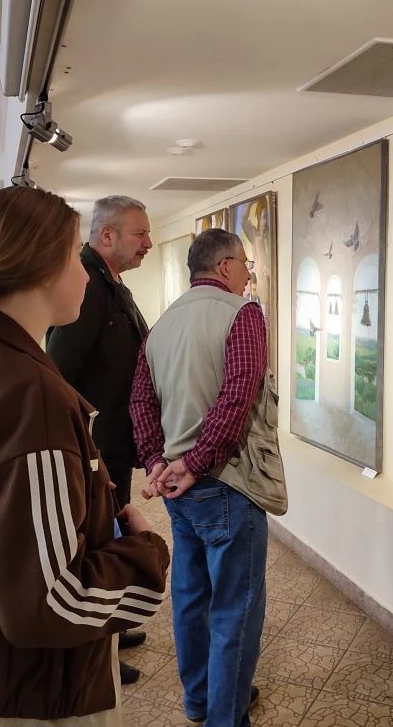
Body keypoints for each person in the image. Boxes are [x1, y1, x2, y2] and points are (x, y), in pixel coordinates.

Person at [0, 186, 170, 727]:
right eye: (74, 257)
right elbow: (51, 602)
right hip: (33, 696)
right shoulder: (30, 396)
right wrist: (146, 554)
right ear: (42, 268)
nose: (85, 274)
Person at [131, 229, 268, 727]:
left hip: (178, 487)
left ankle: (200, 699)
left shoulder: (162, 323)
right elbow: (237, 395)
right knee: (235, 607)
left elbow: (140, 400)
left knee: (191, 597)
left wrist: (156, 462)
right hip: (225, 483)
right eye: (246, 263)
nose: (249, 274)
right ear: (226, 265)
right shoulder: (242, 313)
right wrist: (195, 463)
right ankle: (224, 717)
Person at [45, 194, 153, 684]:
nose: (148, 243)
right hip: (96, 446)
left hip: (112, 442)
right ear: (107, 236)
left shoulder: (112, 285)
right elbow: (61, 373)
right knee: (97, 545)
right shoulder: (88, 286)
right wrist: (82, 448)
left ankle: (113, 629)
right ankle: (99, 647)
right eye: (140, 233)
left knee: (109, 538)